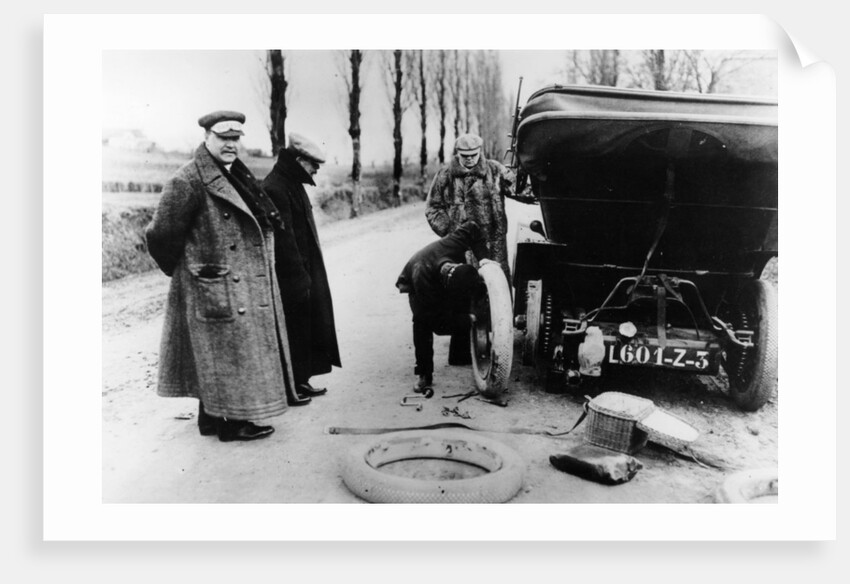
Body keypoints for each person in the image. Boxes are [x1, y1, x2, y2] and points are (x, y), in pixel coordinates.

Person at [145, 110, 298, 442]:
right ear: (206, 137)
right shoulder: (187, 180)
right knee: (225, 352)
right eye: (223, 137)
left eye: (235, 139)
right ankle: (231, 424)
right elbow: (160, 235)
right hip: (212, 284)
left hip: (230, 283)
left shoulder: (235, 174)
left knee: (220, 352)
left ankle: (211, 419)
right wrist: (189, 272)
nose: (230, 145)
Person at [261, 133, 341, 404]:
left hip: (303, 272)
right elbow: (284, 242)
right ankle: (290, 387)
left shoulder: (290, 183)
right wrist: (298, 278)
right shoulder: (276, 187)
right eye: (312, 163)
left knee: (304, 328)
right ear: (298, 160)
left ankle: (300, 381)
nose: (316, 169)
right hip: (291, 276)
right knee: (292, 330)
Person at [424, 133, 516, 365]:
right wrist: (451, 234)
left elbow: (518, 191)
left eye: (473, 155)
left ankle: (499, 349)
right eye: (464, 156)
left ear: (480, 152)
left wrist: (514, 177)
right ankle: (462, 353)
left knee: (496, 295)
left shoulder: (494, 170)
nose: (469, 159)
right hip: (462, 248)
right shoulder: (445, 175)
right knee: (463, 294)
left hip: (492, 246)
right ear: (457, 154)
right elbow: (432, 208)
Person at [395, 221, 495, 393]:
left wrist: (484, 258)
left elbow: (472, 227)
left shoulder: (452, 244)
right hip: (415, 280)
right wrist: (465, 319)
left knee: (466, 300)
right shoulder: (422, 278)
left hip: (438, 271)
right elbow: (437, 323)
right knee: (422, 323)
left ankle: (460, 356)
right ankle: (424, 374)